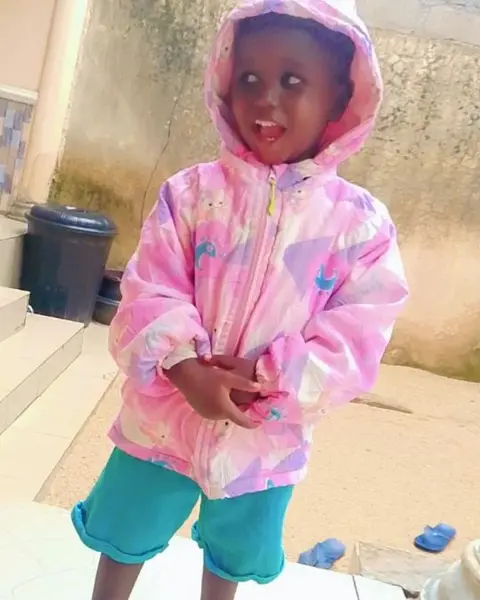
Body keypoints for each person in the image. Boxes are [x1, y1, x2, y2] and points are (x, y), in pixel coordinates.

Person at [72, 1, 409, 599]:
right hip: (162, 421)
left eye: (292, 81)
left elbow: (359, 334)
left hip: (265, 437)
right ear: (225, 82)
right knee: (124, 527)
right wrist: (183, 367)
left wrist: (272, 376)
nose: (265, 99)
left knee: (235, 551)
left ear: (339, 98)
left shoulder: (360, 227)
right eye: (250, 78)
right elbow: (149, 288)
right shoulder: (190, 195)